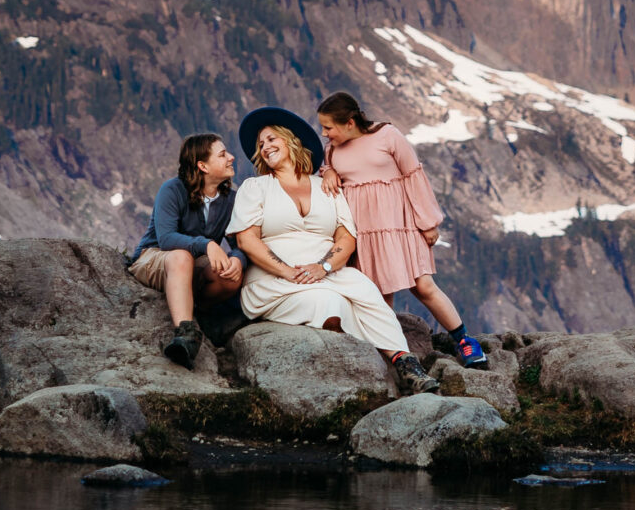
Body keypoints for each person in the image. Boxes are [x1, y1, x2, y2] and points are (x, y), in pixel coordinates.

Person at [230, 117, 435, 393]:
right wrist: (288, 271)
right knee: (328, 302)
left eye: (271, 138)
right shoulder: (255, 188)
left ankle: (405, 364)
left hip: (327, 271)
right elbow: (247, 239)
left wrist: (323, 266)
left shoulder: (325, 186)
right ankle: (355, 367)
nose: (265, 146)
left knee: (368, 292)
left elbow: (346, 237)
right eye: (261, 144)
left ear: (291, 141)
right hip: (274, 278)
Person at [316, 90, 487, 368]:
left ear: (349, 122)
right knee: (378, 293)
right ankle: (393, 355)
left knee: (423, 286)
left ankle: (465, 340)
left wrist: (428, 222)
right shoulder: (333, 149)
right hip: (365, 232)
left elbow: (413, 175)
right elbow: (328, 170)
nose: (324, 133)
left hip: (399, 224)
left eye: (328, 127)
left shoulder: (387, 135)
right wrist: (330, 172)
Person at [129, 132, 245, 369]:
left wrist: (238, 261)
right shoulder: (173, 189)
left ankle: (203, 314)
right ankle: (186, 334)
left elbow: (240, 246)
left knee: (229, 275)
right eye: (222, 154)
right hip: (155, 257)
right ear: (202, 165)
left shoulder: (230, 200)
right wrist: (207, 244)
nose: (231, 157)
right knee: (181, 257)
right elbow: (166, 238)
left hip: (193, 264)